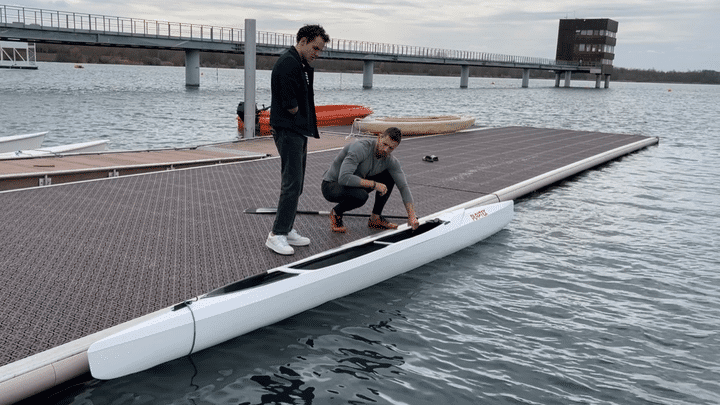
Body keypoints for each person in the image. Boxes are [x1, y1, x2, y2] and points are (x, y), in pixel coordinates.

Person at [265, 24, 330, 255]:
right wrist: (299, 114)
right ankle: (276, 235)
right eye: (315, 48)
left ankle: (287, 227)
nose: (317, 53)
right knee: (291, 183)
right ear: (302, 41)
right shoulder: (288, 63)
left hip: (298, 130)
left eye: (321, 50)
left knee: (298, 183)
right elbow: (290, 104)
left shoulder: (300, 63)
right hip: (288, 130)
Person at [321, 127, 420, 233]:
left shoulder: (390, 160)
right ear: (379, 138)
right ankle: (336, 213)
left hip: (353, 184)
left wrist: (411, 215)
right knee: (361, 195)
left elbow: (403, 186)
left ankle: (375, 218)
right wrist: (374, 184)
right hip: (331, 186)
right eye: (385, 144)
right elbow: (344, 178)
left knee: (389, 176)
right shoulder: (360, 148)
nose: (386, 150)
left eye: (391, 148)